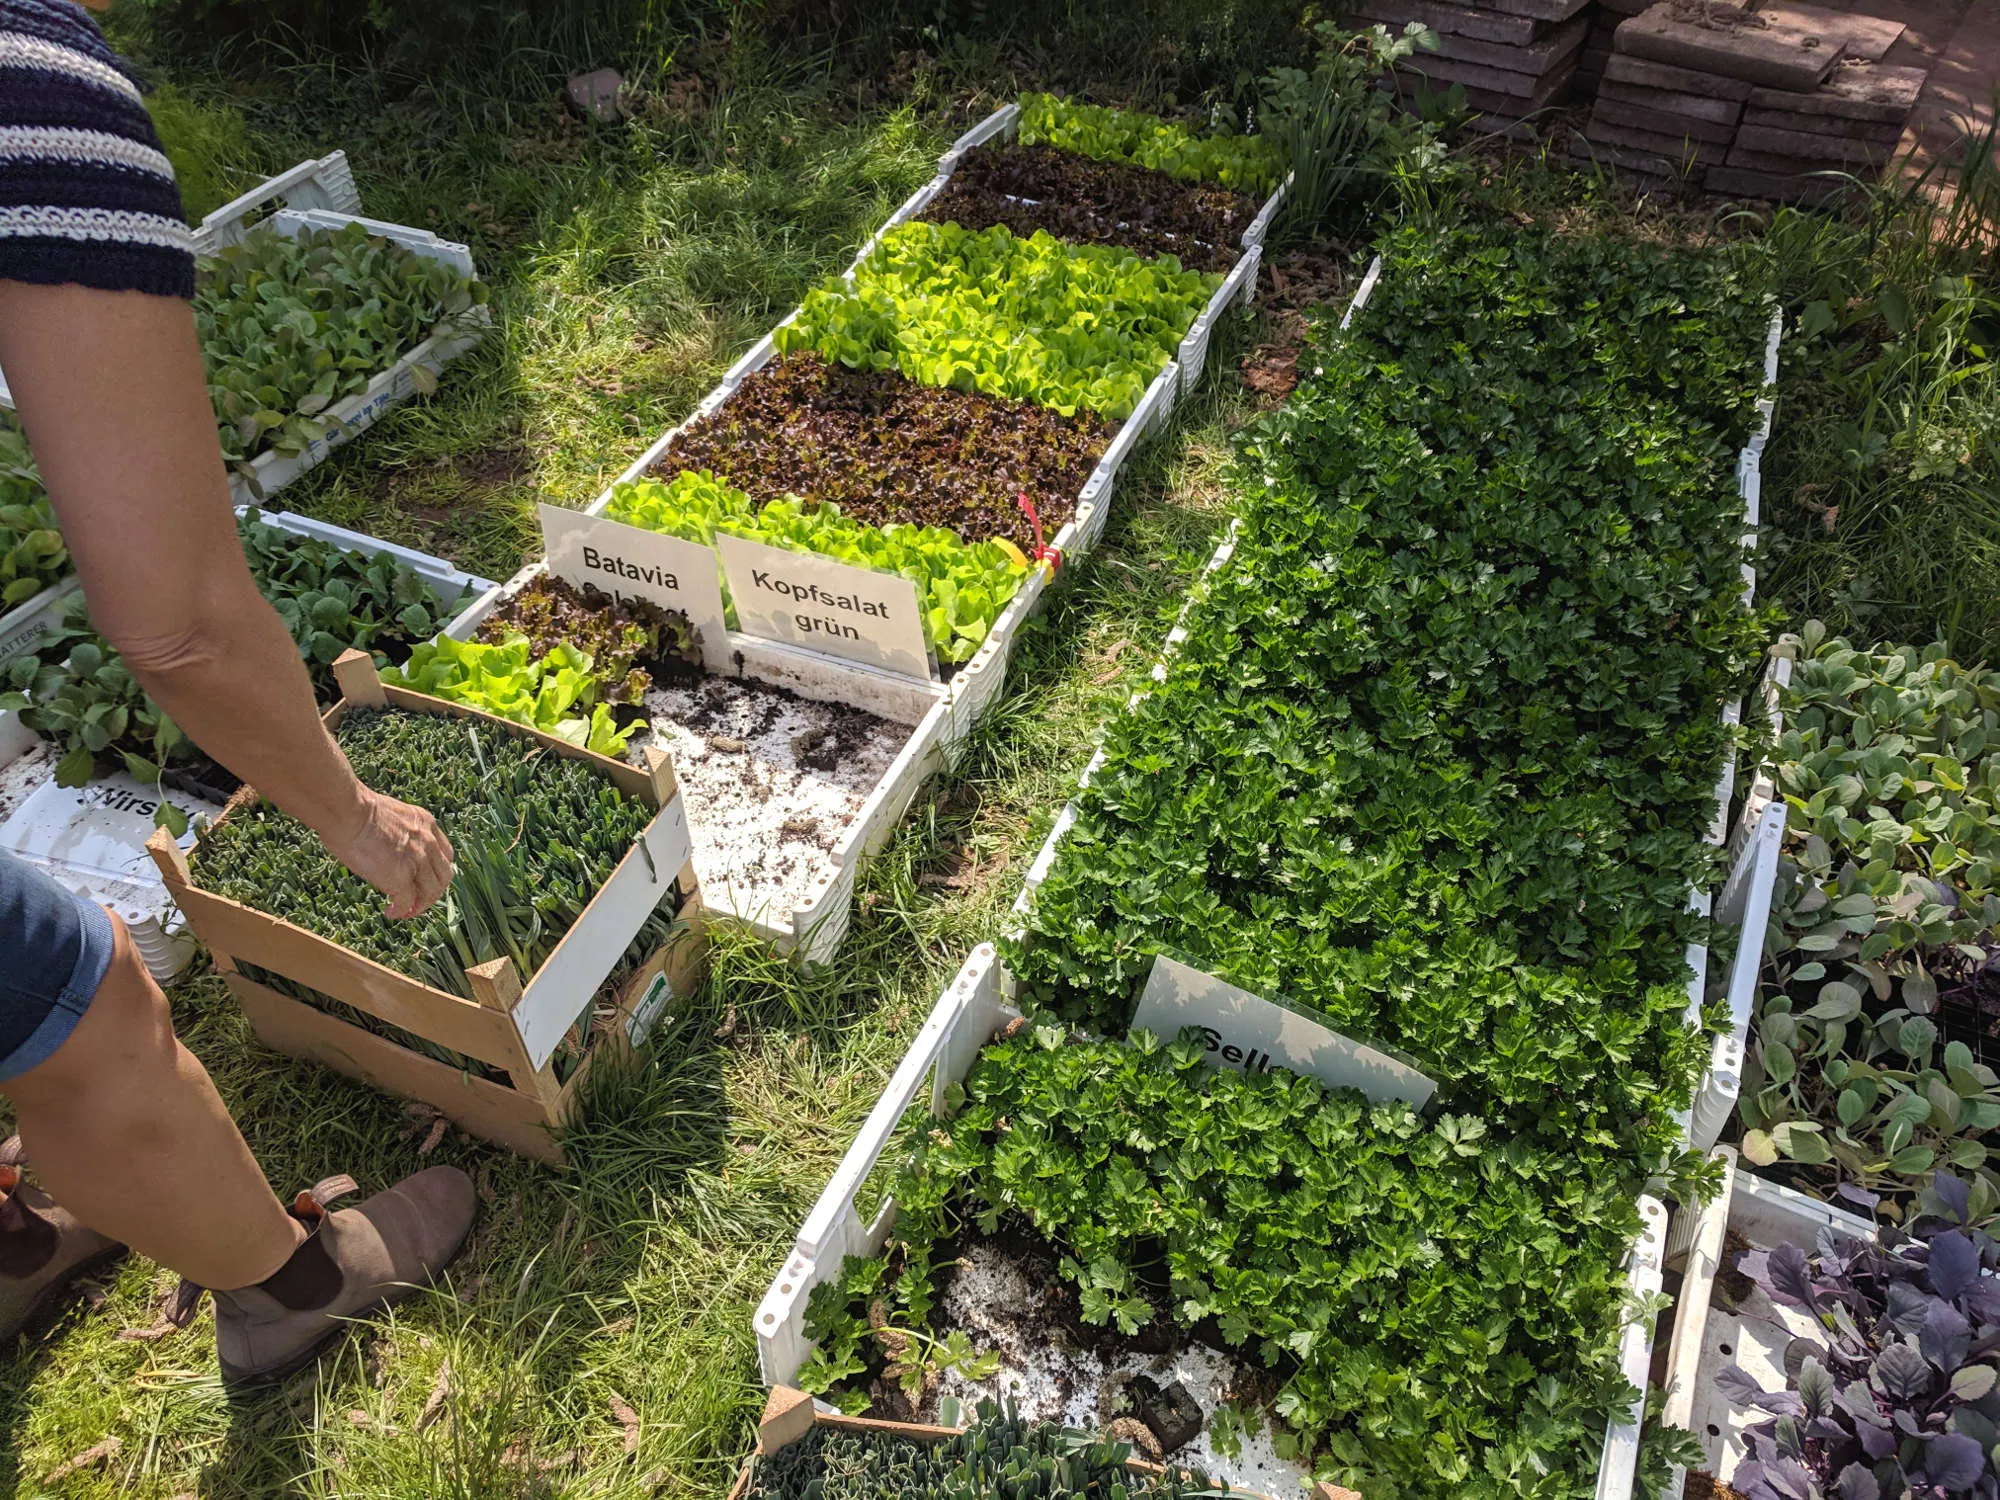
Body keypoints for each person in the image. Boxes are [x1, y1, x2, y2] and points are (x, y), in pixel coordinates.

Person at [0, 0, 477, 1382]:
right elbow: (184, 628)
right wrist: (352, 816)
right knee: (82, 1008)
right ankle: (295, 1284)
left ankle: (20, 1246)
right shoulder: (31, 87)